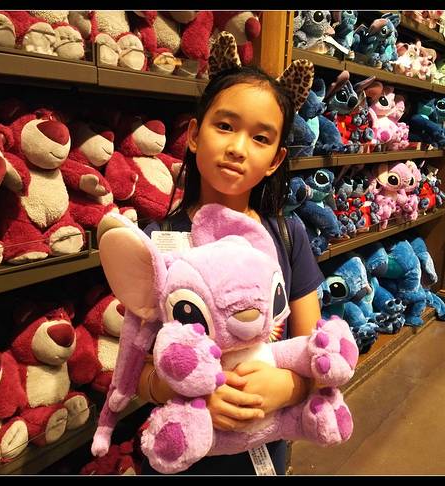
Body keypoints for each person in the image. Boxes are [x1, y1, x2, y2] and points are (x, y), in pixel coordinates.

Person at [136, 62, 325, 475]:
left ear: (276, 159)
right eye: (224, 126)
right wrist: (193, 394)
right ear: (193, 134)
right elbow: (136, 371)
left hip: (263, 452)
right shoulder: (156, 240)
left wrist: (289, 386)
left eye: (260, 138)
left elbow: (320, 352)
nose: (238, 148)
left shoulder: (288, 235)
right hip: (179, 454)